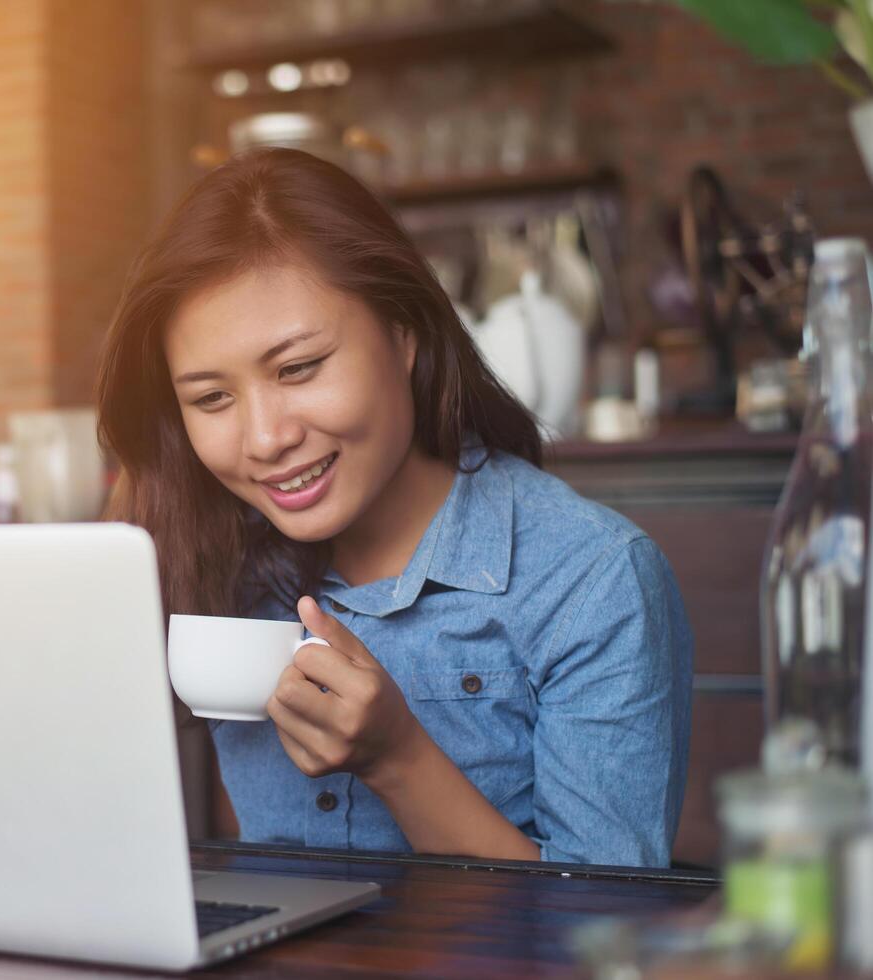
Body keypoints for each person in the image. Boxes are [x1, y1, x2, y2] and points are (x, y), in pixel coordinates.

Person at [95, 147, 693, 867]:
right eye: (211, 399)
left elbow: (597, 931)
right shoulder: (209, 552)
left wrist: (398, 759)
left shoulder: (591, 581)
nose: (264, 440)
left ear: (402, 334)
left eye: (297, 369)